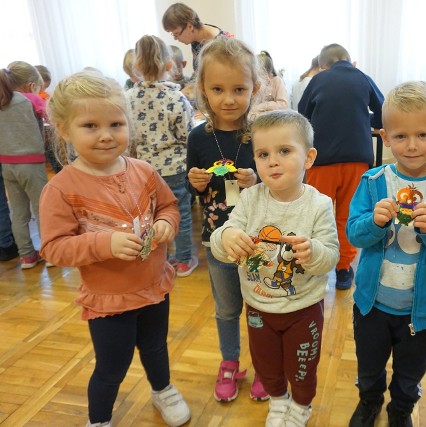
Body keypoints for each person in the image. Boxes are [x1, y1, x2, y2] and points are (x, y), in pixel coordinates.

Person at [39, 71, 191, 427]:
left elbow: (168, 207)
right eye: (90, 125)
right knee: (111, 367)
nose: (106, 135)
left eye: (116, 124)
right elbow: (54, 248)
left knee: (156, 348)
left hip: (154, 287)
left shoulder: (144, 170)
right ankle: (99, 420)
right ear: (65, 130)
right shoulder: (61, 189)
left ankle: (163, 388)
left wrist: (166, 224)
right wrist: (105, 243)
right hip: (109, 299)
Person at [346, 81, 426, 427]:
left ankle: (400, 410)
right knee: (368, 367)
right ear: (384, 137)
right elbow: (354, 234)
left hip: (422, 311)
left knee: (410, 373)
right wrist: (375, 222)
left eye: (423, 135)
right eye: (400, 137)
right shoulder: (373, 182)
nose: (412, 146)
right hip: (372, 305)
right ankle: (369, 403)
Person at [211, 110, 339, 427]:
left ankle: (301, 406)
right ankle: (278, 401)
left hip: (303, 307)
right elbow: (218, 240)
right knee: (266, 364)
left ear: (308, 157)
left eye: (284, 151)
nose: (272, 161)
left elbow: (331, 256)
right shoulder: (250, 199)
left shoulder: (319, 204)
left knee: (302, 365)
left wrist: (314, 251)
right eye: (263, 154)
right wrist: (227, 236)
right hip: (258, 307)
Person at [186, 36, 266, 402]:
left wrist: (259, 179)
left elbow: (284, 184)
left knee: (262, 304)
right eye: (218, 89)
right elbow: (195, 191)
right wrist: (195, 182)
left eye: (239, 88)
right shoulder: (197, 137)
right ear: (203, 89)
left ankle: (265, 364)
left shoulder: (262, 134)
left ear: (256, 88)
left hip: (259, 239)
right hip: (216, 237)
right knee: (227, 308)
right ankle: (230, 362)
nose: (229, 98)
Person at [298, 43, 384, 290]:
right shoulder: (363, 78)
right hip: (357, 159)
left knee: (316, 212)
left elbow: (301, 116)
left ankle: (312, 263)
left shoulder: (318, 80)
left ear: (323, 66)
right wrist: (362, 118)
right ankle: (344, 269)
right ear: (350, 61)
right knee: (348, 214)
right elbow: (382, 112)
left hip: (321, 160)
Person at [127, 35, 198, 278]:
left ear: (135, 66)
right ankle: (185, 260)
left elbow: (128, 136)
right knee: (180, 214)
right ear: (170, 65)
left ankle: (161, 259)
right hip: (174, 168)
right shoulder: (176, 99)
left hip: (143, 170)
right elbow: (188, 136)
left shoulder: (129, 99)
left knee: (151, 215)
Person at [0, 61, 48, 269]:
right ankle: (51, 253)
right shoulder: (30, 100)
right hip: (31, 163)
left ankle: (27, 256)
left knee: (19, 213)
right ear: (29, 84)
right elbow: (49, 117)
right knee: (42, 209)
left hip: (7, 165)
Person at [162, 2, 231, 73]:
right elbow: (198, 74)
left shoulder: (222, 44)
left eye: (177, 34)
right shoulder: (195, 39)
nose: (175, 38)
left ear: (190, 26)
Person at [249, 50, 289, 120]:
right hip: (254, 119)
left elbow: (283, 104)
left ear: (268, 71)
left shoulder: (277, 81)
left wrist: (262, 106)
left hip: (271, 120)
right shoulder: (253, 81)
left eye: (259, 72)